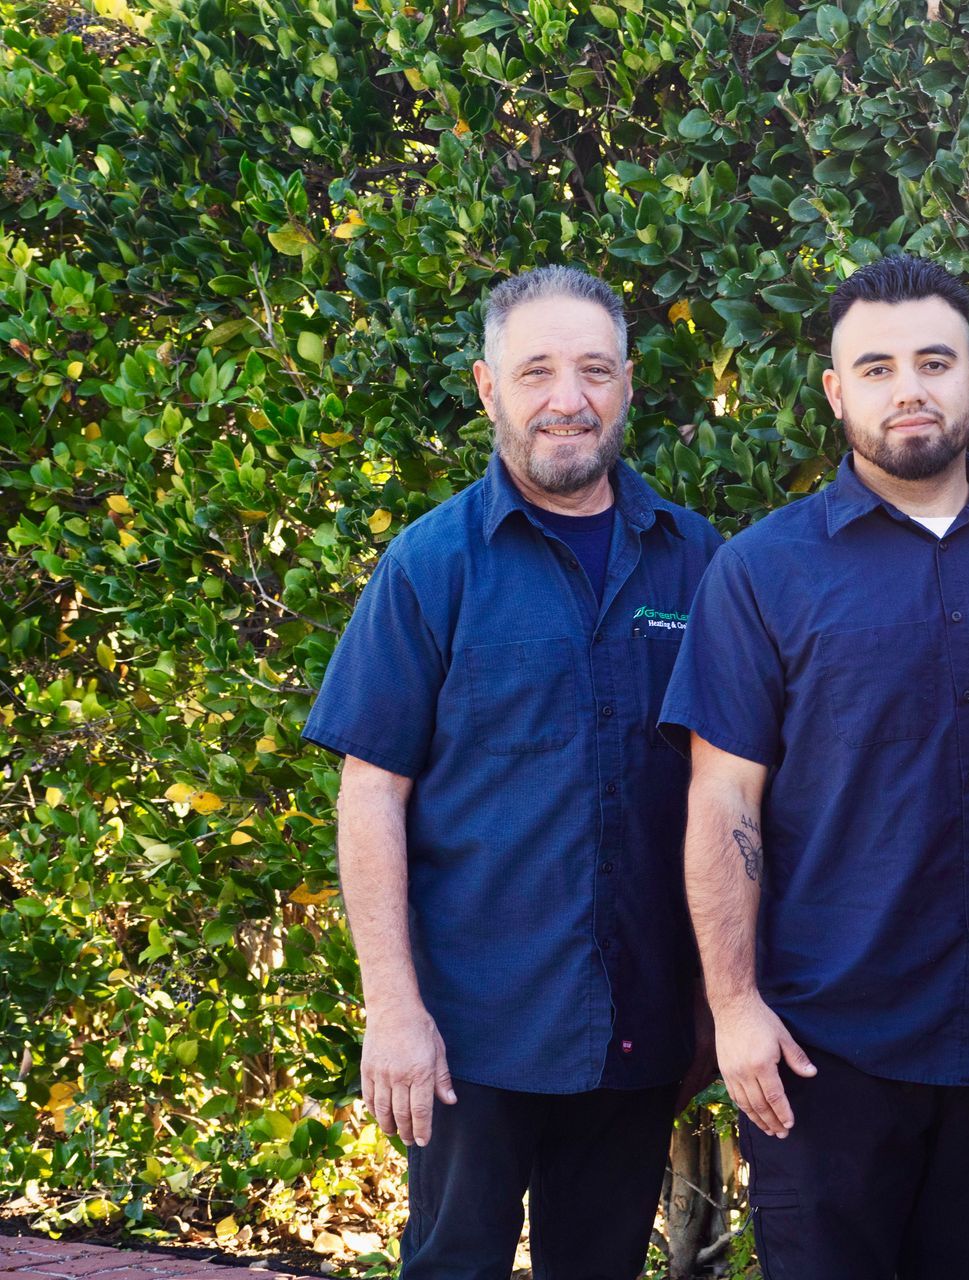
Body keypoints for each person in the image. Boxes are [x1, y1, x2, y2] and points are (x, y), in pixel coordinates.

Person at [661, 254, 969, 1280]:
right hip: (825, 1052)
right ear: (834, 390)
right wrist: (733, 1008)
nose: (909, 387)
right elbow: (724, 794)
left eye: (935, 361)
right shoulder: (764, 570)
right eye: (877, 366)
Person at [302, 266, 720, 1278]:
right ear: (489, 387)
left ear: (627, 383)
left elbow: (731, 792)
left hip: (638, 1023)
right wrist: (393, 1009)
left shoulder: (696, 560)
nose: (565, 398)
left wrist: (715, 1003)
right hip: (469, 1035)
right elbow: (371, 793)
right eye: (536, 371)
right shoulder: (430, 564)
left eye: (592, 369)